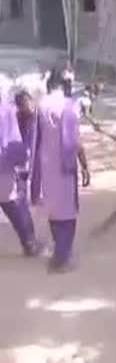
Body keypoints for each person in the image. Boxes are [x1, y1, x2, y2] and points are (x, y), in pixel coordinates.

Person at [30, 69, 90, 273]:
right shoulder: (68, 106)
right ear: (64, 85)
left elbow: (35, 140)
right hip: (65, 167)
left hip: (46, 166)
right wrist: (84, 165)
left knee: (54, 211)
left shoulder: (41, 106)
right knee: (69, 213)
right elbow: (73, 142)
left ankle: (59, 252)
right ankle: (62, 258)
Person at [0, 85, 41, 257]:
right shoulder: (7, 110)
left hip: (6, 163)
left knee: (14, 204)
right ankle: (30, 243)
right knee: (15, 204)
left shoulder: (8, 110)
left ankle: (30, 242)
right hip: (5, 165)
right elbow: (13, 142)